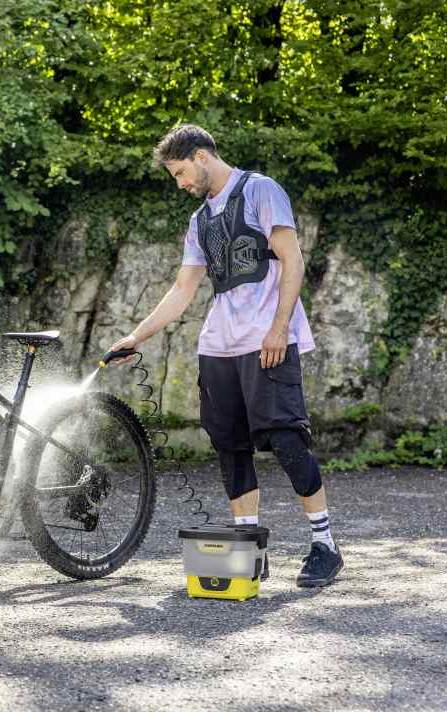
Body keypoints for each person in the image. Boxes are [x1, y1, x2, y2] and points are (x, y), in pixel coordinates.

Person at [108, 123, 343, 587]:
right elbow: (183, 289)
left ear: (200, 156)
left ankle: (325, 546)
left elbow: (292, 261)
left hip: (266, 339)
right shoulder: (199, 222)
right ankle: (248, 548)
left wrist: (279, 329)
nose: (179, 183)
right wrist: (136, 336)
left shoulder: (260, 190)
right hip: (219, 345)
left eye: (179, 172)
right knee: (229, 446)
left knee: (286, 439)